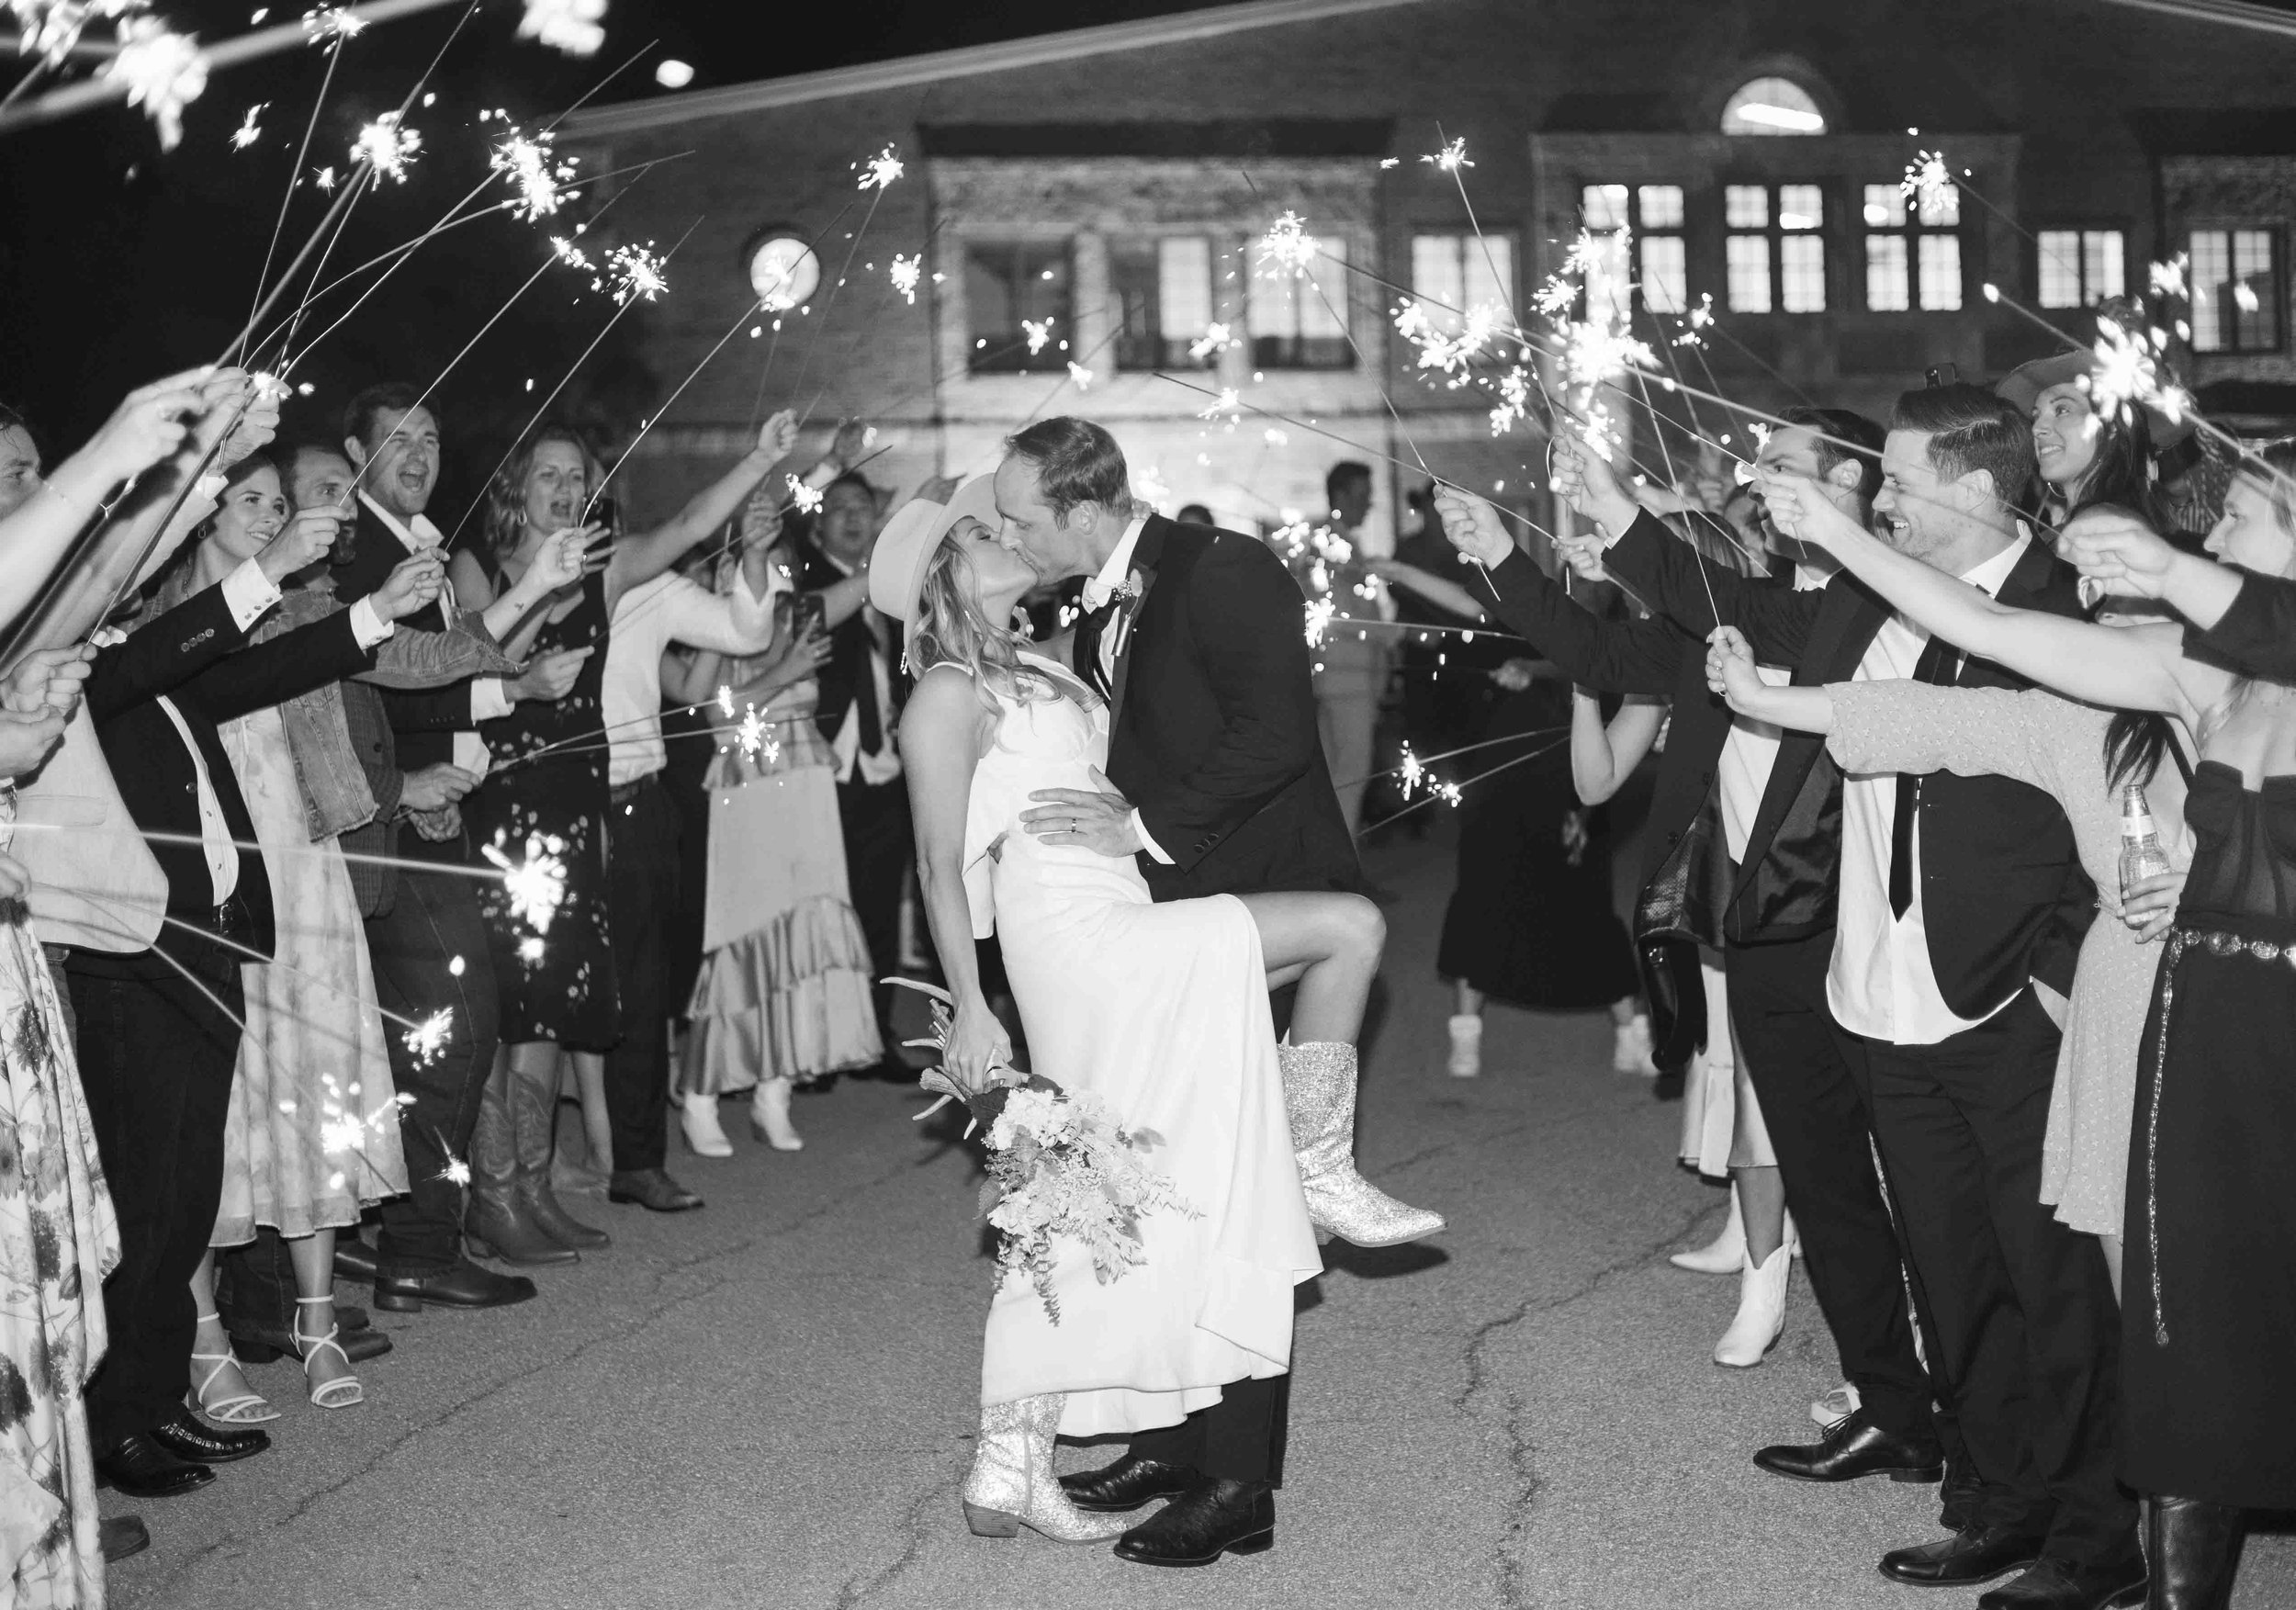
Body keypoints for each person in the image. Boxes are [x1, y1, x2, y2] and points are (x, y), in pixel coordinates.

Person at [1561, 387, 2137, 1608]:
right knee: (1950, 1266)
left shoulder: (2066, 610)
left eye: (1903, 484)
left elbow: (2123, 801)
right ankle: (1991, 1499)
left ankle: (2097, 1539)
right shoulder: (1869, 598)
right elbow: (1722, 595)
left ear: (1981, 486)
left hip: (2004, 997)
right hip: (1876, 994)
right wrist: (1611, 501)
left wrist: (2054, 975)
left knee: (2053, 1281)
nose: (1883, 505)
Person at [1806, 442, 2296, 1610]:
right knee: (2188, 1330)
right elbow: (1996, 643)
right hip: (2206, 1026)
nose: (2210, 538)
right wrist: (1838, 536)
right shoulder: (2206, 676)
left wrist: (2164, 566)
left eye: (2234, 520)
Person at [989, 418, 1441, 1564]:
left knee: (1244, 1188)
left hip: (1248, 893)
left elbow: (1277, 737)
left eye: (1020, 514)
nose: (1009, 531)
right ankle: (1181, 1439)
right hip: (1157, 925)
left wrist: (1142, 828)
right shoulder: (1075, 602)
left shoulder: (1224, 568)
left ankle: (1241, 1483)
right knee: (1175, 1185)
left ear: (1082, 507)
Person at [878, 477, 1352, 1564]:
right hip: (1077, 949)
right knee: (1340, 930)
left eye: (1011, 519)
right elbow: (938, 867)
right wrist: (970, 1004)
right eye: (985, 531)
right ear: (944, 573)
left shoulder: (1041, 660)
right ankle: (1318, 1161)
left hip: (1123, 917)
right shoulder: (945, 693)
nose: (1009, 534)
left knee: (1103, 1187)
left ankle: (1018, 1455)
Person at [1436, 410, 1936, 1439]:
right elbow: (1598, 644)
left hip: (1857, 909)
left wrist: (1621, 505)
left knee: (1888, 1152)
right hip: (1746, 906)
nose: (1758, 476)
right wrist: (1499, 558)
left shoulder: (1874, 599)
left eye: (1783, 465)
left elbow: (1697, 587)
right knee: (1791, 1135)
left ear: (1850, 480)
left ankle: (1920, 1363)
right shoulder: (1757, 603)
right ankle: (1839, 1352)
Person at [69, 488, 427, 1498]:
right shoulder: (110, 666)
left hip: (215, 942)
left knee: (182, 1190)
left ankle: (153, 1402)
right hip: (142, 955)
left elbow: (272, 665)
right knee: (150, 1191)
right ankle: (121, 1422)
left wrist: (375, 608)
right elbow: (178, 645)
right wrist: (266, 564)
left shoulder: (179, 681)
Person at [328, 383, 579, 1313]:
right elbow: (380, 678)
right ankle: (417, 1243)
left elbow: (425, 683)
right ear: (356, 452)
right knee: (456, 1025)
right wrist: (530, 596)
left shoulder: (412, 540)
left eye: (431, 436)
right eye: (398, 437)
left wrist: (509, 686)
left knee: (424, 1033)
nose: (420, 451)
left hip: (427, 816)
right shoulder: (357, 548)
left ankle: (398, 1234)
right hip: (390, 820)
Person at [594, 412, 805, 1176]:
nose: (576, 501)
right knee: (571, 987)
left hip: (640, 796)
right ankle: (556, 1160)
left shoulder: (650, 587)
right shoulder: (515, 588)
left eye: (584, 487)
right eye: (549, 481)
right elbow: (699, 685)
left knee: (648, 981)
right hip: (560, 798)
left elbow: (746, 635)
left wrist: (753, 555)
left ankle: (640, 1161)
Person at [670, 486, 874, 1154]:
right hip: (748, 782)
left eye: (783, 565)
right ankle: (701, 1093)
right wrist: (783, 670)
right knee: (741, 935)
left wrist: (921, 521)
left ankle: (773, 1091)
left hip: (805, 780)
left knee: (804, 933)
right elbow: (714, 716)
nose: (776, 576)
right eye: (763, 565)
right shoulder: (717, 627)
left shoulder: (802, 618)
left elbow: (870, 583)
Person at [793, 470, 916, 1080]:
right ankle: (818, 1044)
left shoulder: (897, 591)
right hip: (825, 770)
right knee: (823, 909)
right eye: (838, 508)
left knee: (878, 909)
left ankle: (874, 1033)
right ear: (820, 522)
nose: (851, 517)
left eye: (862, 508)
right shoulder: (806, 581)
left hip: (885, 769)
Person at [1306, 459, 1391, 837]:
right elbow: (1338, 616)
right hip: (1345, 679)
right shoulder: (1331, 547)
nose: (1369, 505)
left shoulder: (1337, 543)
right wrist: (1394, 634)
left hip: (1338, 678)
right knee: (1351, 776)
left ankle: (1335, 871)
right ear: (1340, 495)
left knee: (1338, 777)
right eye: (1362, 496)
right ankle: (1345, 876)